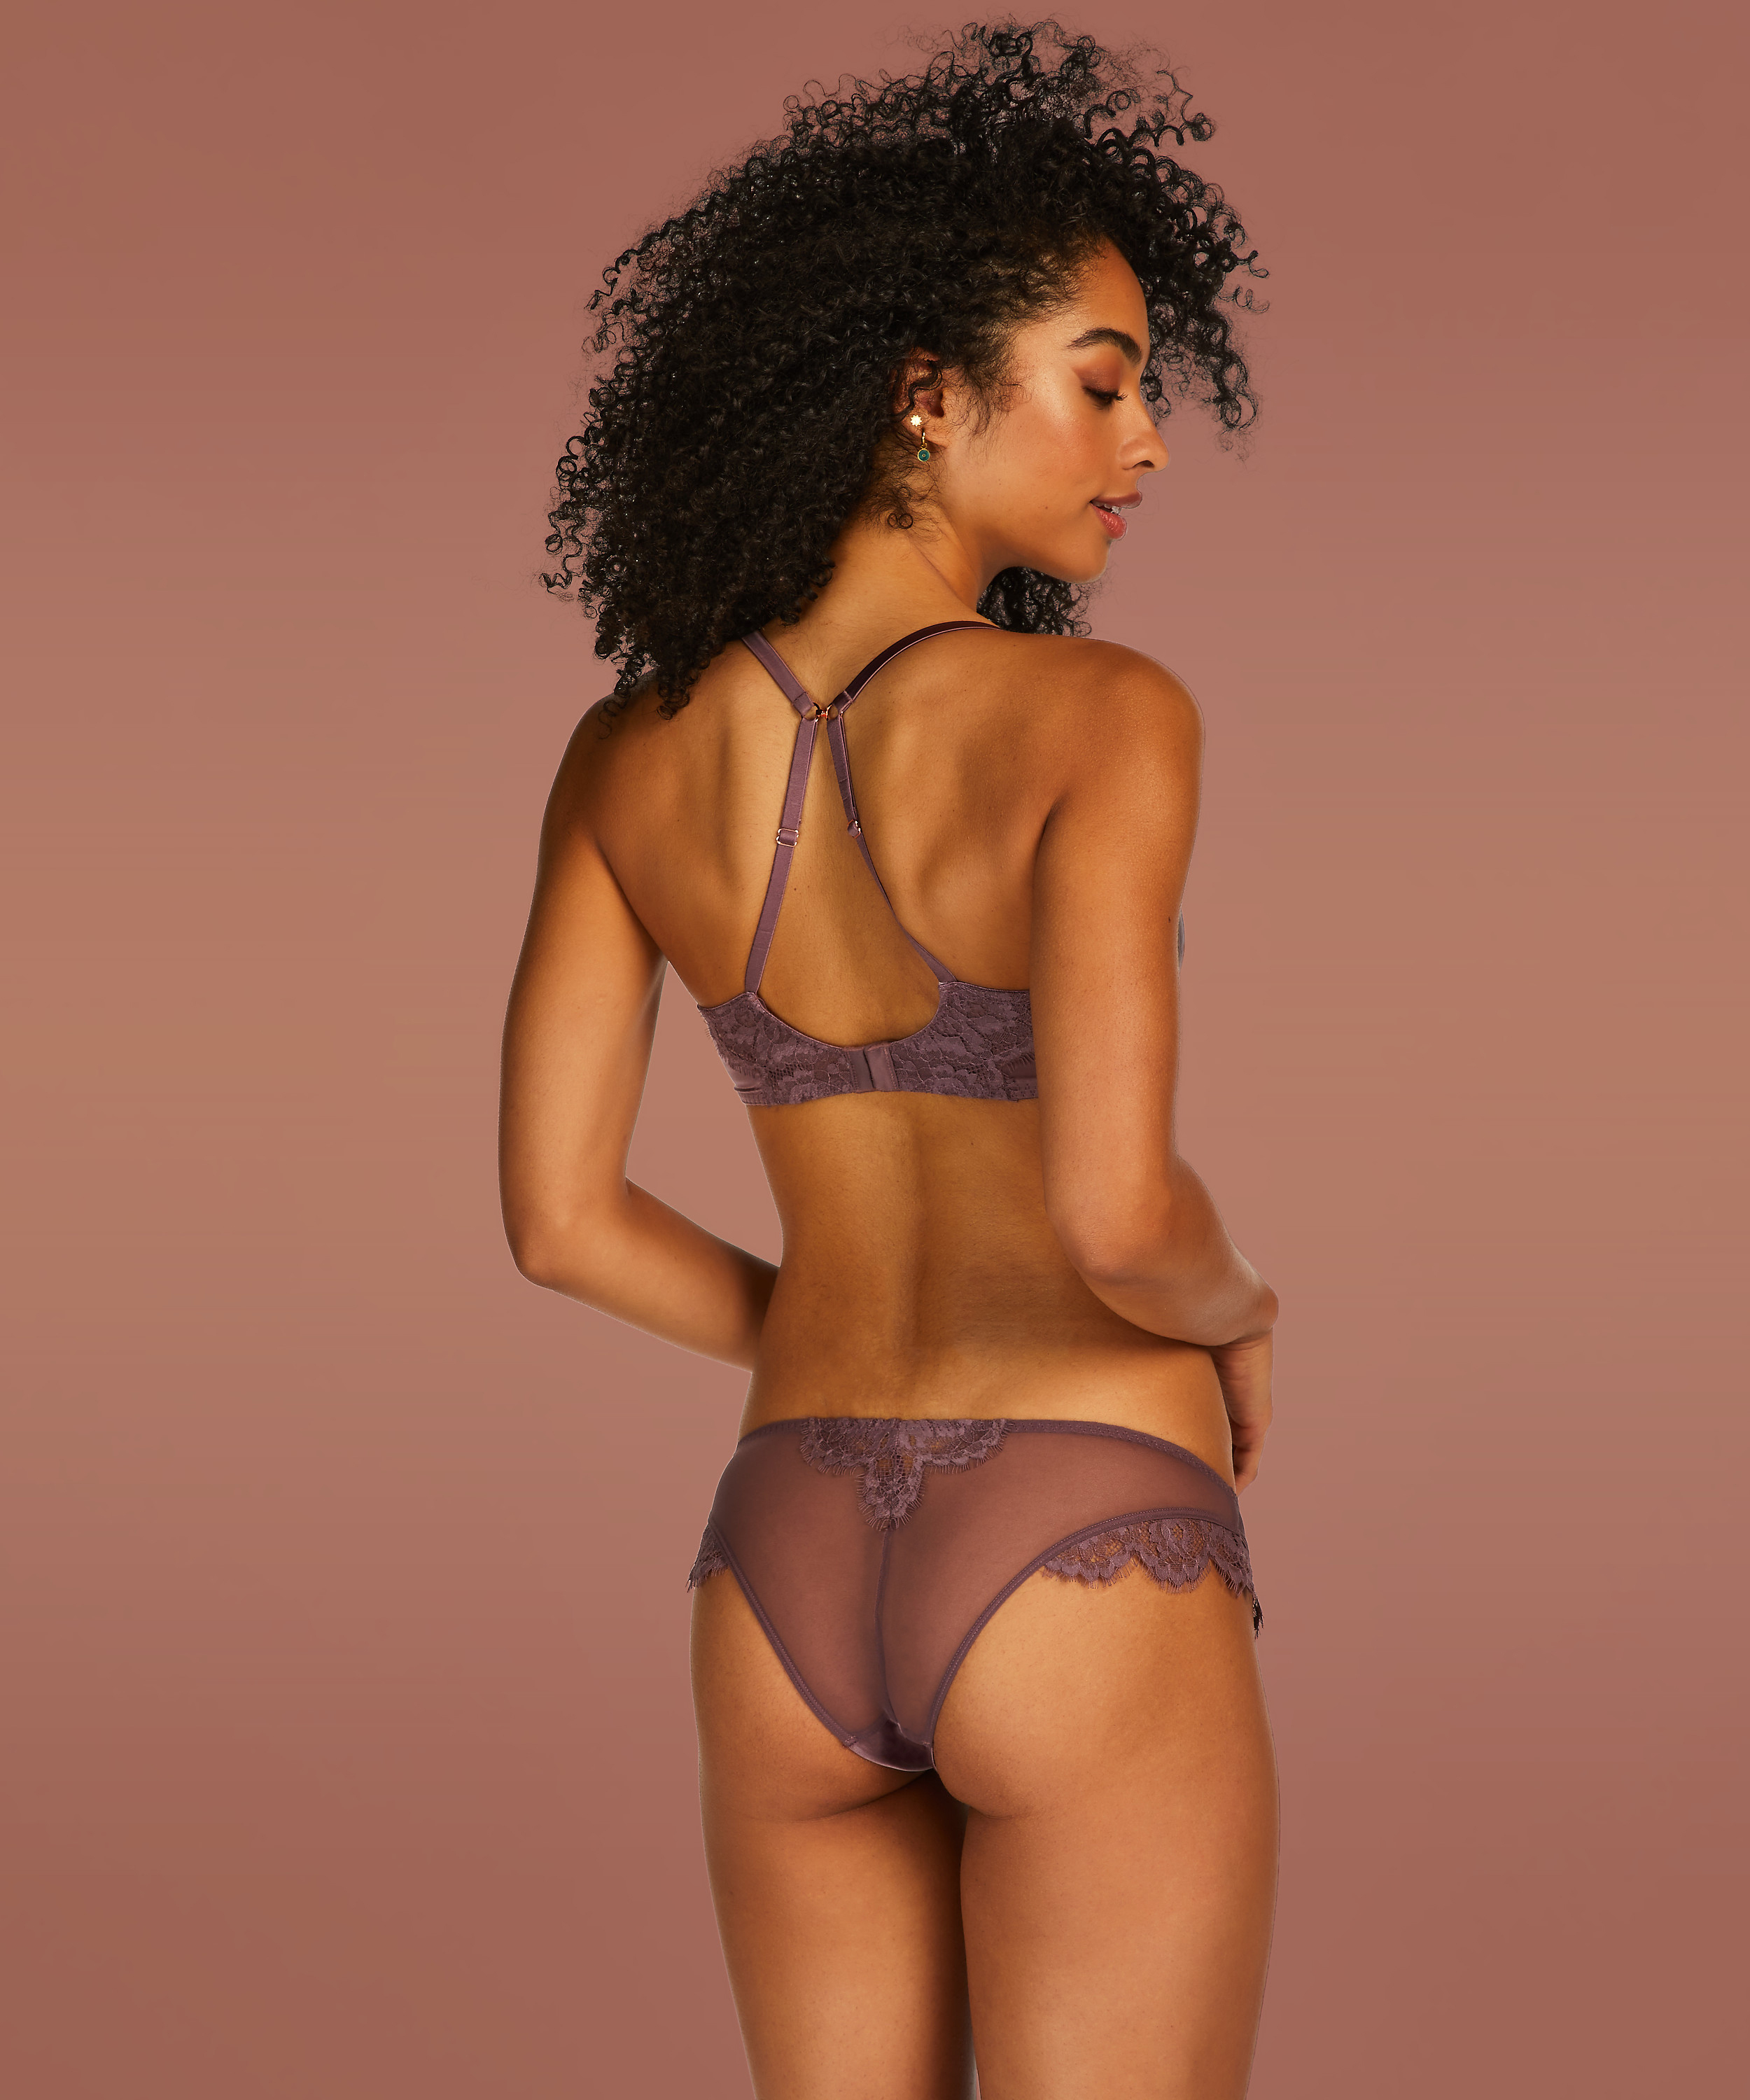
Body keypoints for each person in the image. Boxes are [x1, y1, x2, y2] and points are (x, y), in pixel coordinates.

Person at [500, 22, 1279, 2096]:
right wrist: (1238, 1314)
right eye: (1104, 383)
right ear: (926, 396)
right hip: (1086, 1536)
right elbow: (1116, 1212)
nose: (1148, 442)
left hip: (785, 1560)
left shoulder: (627, 751)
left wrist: (829, 1326)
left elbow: (557, 1222)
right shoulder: (1103, 717)